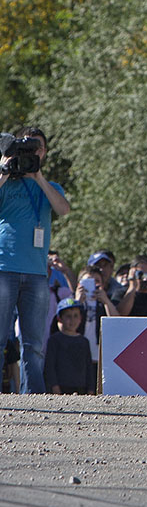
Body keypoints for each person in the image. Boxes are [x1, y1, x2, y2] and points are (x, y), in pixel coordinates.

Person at [0, 126, 72, 393]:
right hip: (4, 268)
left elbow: (63, 210)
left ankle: (34, 398)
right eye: (29, 148)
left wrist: (38, 177)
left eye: (39, 148)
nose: (35, 152)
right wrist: (4, 170)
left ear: (45, 153)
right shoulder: (6, 182)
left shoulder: (51, 187)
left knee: (34, 343)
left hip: (35, 273)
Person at [43, 297, 95, 394]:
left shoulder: (84, 341)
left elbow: (89, 367)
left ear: (80, 318)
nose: (72, 320)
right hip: (61, 388)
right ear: (60, 318)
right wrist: (54, 386)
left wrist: (91, 389)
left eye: (76, 316)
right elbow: (50, 366)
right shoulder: (54, 340)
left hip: (81, 388)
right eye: (68, 316)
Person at [74, 266, 118, 376]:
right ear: (79, 284)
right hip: (77, 355)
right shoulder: (73, 302)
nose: (93, 284)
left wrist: (106, 301)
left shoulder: (106, 302)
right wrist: (77, 301)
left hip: (99, 357)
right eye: (88, 281)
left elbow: (116, 322)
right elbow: (64, 323)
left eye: (97, 281)